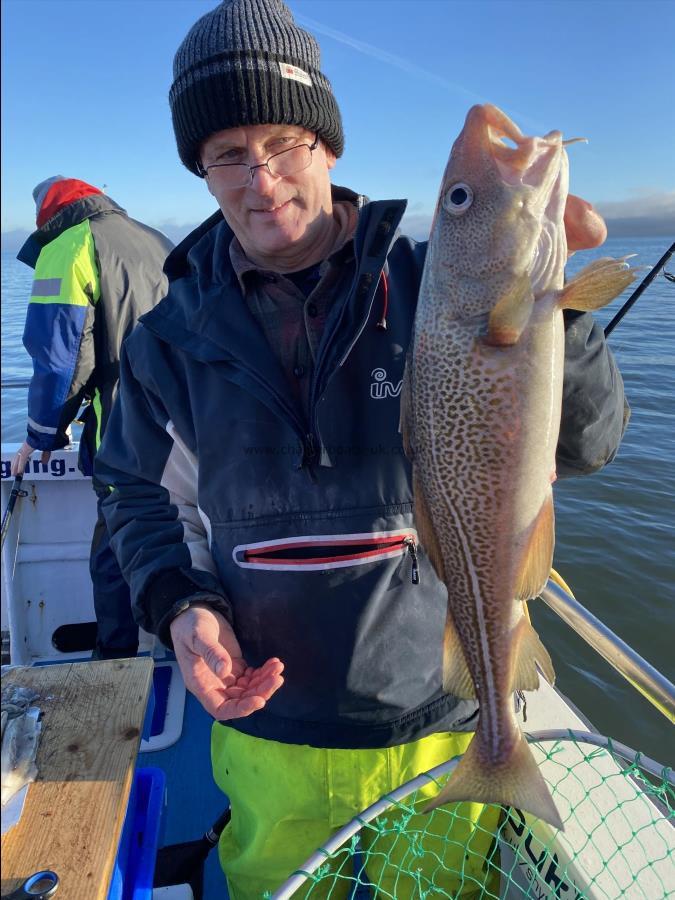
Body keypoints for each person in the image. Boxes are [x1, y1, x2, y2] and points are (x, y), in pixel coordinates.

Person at [95, 1, 629, 896]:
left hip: (440, 720)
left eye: (284, 142)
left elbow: (586, 448)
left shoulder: (435, 284)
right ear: (199, 168)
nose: (260, 179)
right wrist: (182, 606)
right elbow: (134, 494)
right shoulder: (168, 338)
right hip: (269, 733)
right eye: (228, 152)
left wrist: (559, 321)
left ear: (328, 146)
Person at [11, 176, 173, 660]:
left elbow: (58, 357)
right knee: (177, 532)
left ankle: (114, 659)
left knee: (114, 550)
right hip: (183, 425)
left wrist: (41, 433)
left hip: (121, 429)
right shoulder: (154, 239)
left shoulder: (69, 244)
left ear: (48, 216)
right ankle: (178, 649)